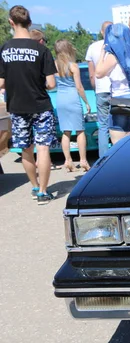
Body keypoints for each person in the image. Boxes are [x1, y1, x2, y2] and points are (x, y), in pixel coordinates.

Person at [0, 5, 57, 205]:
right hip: (41, 105)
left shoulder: (5, 49)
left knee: (26, 149)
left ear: (11, 22)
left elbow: (1, 82)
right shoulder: (41, 49)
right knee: (43, 149)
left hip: (17, 106)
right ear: (29, 22)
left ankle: (34, 186)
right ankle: (43, 191)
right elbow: (51, 83)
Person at [95, 23, 130, 145]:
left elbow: (98, 73)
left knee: (118, 142)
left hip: (121, 99)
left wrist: (103, 51)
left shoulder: (115, 55)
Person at [54, 39, 91, 172]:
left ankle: (68, 160)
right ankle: (83, 160)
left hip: (60, 99)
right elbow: (79, 87)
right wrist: (86, 102)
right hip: (72, 98)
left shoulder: (54, 66)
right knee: (80, 130)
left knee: (66, 131)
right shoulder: (73, 66)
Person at [85, 21, 112, 157]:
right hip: (117, 90)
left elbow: (91, 74)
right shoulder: (118, 45)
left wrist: (95, 88)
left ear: (101, 32)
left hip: (101, 90)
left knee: (103, 127)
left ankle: (103, 158)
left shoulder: (93, 47)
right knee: (118, 125)